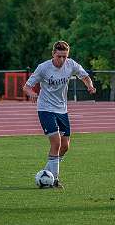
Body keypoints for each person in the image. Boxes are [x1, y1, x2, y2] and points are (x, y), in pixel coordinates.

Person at [23, 40, 96, 188]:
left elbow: (84, 76)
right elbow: (26, 87)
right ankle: (54, 180)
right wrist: (31, 93)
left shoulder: (71, 64)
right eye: (59, 56)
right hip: (45, 109)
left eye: (65, 56)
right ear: (53, 54)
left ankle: (46, 173)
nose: (62, 60)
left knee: (65, 146)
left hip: (62, 109)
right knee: (56, 143)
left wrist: (90, 86)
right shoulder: (43, 68)